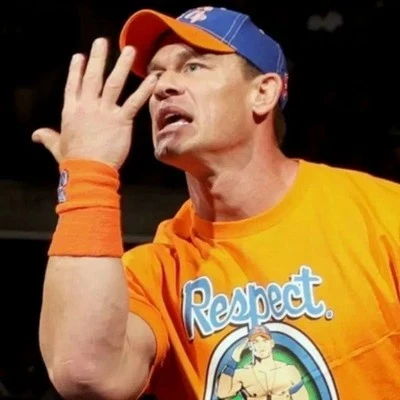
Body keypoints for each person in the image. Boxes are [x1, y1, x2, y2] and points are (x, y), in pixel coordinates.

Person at [32, 5, 400, 400]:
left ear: (263, 93)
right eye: (156, 74)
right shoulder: (157, 272)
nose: (162, 87)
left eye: (192, 67)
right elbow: (85, 372)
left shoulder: (381, 215)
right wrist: (88, 173)